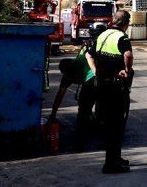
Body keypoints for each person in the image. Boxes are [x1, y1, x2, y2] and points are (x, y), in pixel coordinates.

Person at [87, 10, 134, 174]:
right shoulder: (122, 37)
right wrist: (127, 71)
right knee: (117, 125)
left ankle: (115, 158)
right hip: (116, 87)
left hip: (101, 86)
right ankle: (110, 164)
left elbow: (89, 55)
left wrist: (95, 71)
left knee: (109, 124)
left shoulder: (103, 35)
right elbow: (128, 55)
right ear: (125, 23)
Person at [47, 23, 104, 151]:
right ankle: (101, 131)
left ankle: (80, 143)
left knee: (83, 115)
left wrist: (53, 114)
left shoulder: (68, 73)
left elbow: (60, 96)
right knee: (98, 112)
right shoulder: (79, 60)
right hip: (101, 82)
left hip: (92, 85)